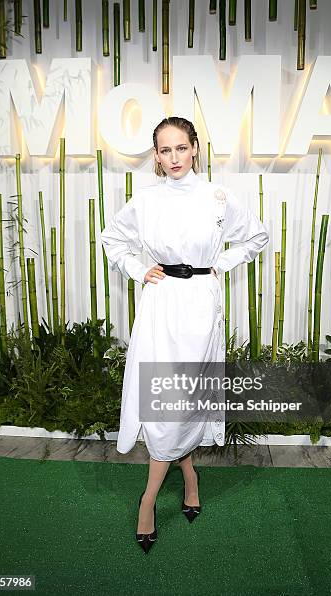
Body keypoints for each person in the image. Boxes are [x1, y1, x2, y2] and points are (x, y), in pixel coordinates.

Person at [100, 117, 269, 554]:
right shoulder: (146, 200)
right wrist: (139, 269)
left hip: (201, 305)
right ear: (155, 156)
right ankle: (161, 491)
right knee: (166, 403)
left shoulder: (217, 196)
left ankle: (172, 482)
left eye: (180, 147)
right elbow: (112, 240)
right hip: (161, 306)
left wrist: (222, 265)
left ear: (194, 148)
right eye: (164, 150)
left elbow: (257, 236)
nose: (173, 157)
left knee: (186, 400)